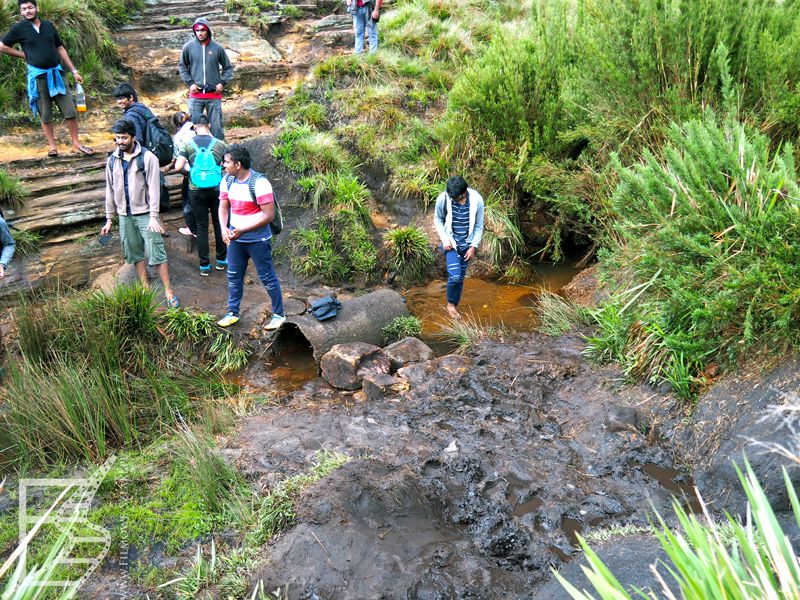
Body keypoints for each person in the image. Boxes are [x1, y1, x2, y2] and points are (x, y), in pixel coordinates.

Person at [0, 0, 94, 158]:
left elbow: (60, 48)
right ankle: (52, 147)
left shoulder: (49, 26)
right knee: (45, 113)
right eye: (24, 9)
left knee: (70, 110)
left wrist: (74, 70)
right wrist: (24, 55)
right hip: (38, 77)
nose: (27, 11)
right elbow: (2, 46)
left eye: (30, 7)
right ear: (21, 12)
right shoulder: (19, 29)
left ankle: (76, 143)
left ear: (36, 8)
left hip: (57, 74)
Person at [102, 120, 179, 308]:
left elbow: (154, 189)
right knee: (135, 253)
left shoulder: (148, 158)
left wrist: (154, 216)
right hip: (124, 215)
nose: (120, 141)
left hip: (145, 214)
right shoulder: (112, 160)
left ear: (133, 137)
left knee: (157, 252)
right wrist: (109, 219)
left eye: (124, 137)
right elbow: (109, 190)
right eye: (117, 138)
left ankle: (169, 291)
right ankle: (145, 288)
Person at [217, 144, 285, 330]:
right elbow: (223, 207)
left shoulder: (260, 183)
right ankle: (233, 312)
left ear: (238, 164)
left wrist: (243, 230)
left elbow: (268, 215)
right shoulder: (227, 181)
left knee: (267, 276)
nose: (223, 165)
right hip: (235, 239)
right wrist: (224, 228)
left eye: (226, 162)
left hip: (257, 240)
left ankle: (279, 314)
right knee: (233, 276)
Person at [174, 115, 227, 277]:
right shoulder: (220, 144)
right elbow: (226, 166)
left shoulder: (188, 144)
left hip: (196, 190)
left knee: (202, 226)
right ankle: (221, 260)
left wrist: (190, 174)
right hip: (217, 189)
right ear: (209, 125)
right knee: (219, 224)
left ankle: (204, 265)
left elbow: (178, 167)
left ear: (194, 127)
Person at [433, 175, 485, 319]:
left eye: (457, 198)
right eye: (452, 197)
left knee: (460, 278)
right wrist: (444, 240)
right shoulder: (443, 198)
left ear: (464, 192)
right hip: (451, 243)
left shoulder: (477, 200)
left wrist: (473, 246)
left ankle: (454, 305)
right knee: (455, 276)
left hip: (467, 244)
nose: (454, 200)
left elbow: (479, 226)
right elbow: (437, 219)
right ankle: (450, 306)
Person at [178, 17, 233, 141]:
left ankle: (219, 155)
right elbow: (182, 67)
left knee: (216, 128)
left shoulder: (217, 48)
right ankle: (194, 155)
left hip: (214, 95)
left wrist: (222, 83)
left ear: (208, 30)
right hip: (196, 95)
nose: (200, 33)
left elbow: (228, 68)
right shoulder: (188, 47)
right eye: (197, 30)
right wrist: (190, 83)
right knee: (193, 127)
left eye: (203, 30)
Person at [170, 110, 196, 237]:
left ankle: (191, 228)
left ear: (176, 124)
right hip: (206, 172)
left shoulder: (179, 136)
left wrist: (185, 172)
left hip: (189, 172)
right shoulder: (198, 128)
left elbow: (177, 159)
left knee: (187, 201)